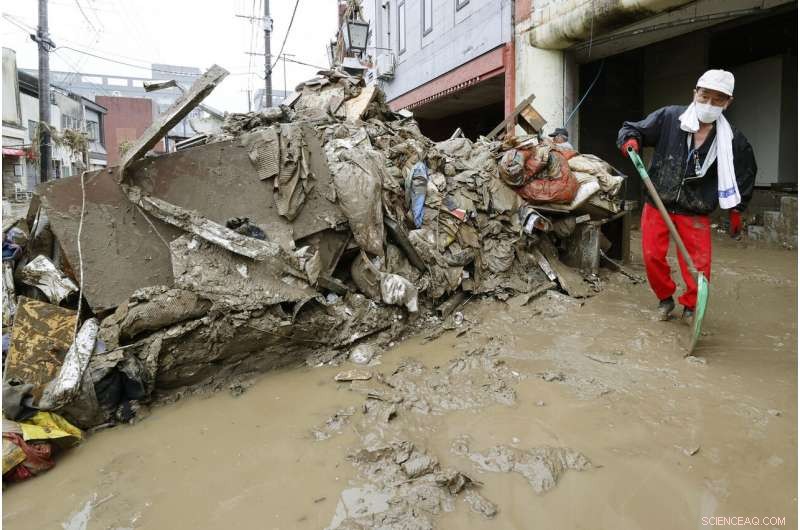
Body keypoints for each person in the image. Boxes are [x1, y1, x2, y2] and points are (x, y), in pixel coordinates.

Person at [617, 69, 756, 322]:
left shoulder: (733, 140)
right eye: (705, 97)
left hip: (695, 209)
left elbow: (745, 172)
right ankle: (665, 299)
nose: (709, 104)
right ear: (695, 93)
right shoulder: (670, 117)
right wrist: (630, 141)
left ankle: (692, 306)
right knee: (651, 256)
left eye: (718, 100)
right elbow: (633, 129)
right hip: (658, 202)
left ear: (728, 102)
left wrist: (737, 209)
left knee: (699, 265)